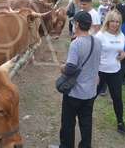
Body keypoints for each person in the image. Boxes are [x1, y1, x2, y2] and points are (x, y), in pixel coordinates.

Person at [51, 11, 102, 148]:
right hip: (90, 91)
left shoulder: (76, 44)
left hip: (75, 92)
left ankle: (66, 146)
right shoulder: (97, 41)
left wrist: (62, 67)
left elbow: (70, 69)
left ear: (77, 24)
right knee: (86, 122)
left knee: (68, 122)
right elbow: (96, 63)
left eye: (74, 23)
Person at [96, 10, 125, 134]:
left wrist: (123, 53)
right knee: (90, 97)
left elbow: (121, 50)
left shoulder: (121, 35)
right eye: (113, 21)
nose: (115, 24)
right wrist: (94, 73)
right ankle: (83, 117)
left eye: (118, 22)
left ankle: (120, 123)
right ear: (108, 21)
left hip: (115, 71)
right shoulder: (100, 35)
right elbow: (94, 55)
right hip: (100, 72)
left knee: (117, 98)